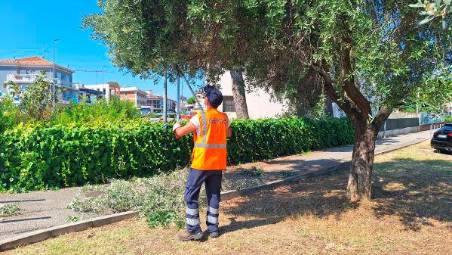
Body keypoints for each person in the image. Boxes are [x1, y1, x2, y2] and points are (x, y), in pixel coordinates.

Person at [172, 85, 232, 241]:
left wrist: (176, 125)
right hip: (217, 164)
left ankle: (193, 230)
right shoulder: (224, 117)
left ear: (206, 100)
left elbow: (179, 134)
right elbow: (229, 133)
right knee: (213, 195)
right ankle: (213, 229)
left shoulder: (199, 117)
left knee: (190, 195)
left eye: (204, 96)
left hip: (201, 164)